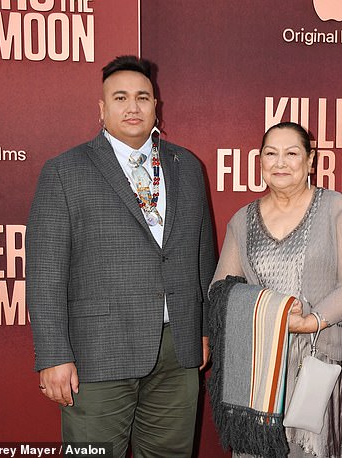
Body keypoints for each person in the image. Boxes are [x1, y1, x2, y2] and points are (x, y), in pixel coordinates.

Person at [26, 55, 215, 457]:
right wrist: (53, 355)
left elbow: (202, 256)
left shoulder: (188, 167)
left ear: (156, 106)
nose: (133, 107)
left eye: (143, 97)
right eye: (121, 97)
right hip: (98, 352)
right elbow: (45, 273)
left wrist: (202, 329)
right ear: (102, 108)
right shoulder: (65, 170)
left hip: (176, 351)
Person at [210, 122, 342, 457]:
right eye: (271, 154)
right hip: (259, 362)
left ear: (310, 161)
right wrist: (267, 313)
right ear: (260, 161)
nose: (280, 162)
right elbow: (219, 290)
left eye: (291, 153)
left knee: (311, 449)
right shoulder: (243, 220)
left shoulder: (335, 208)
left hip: (317, 354)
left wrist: (311, 321)